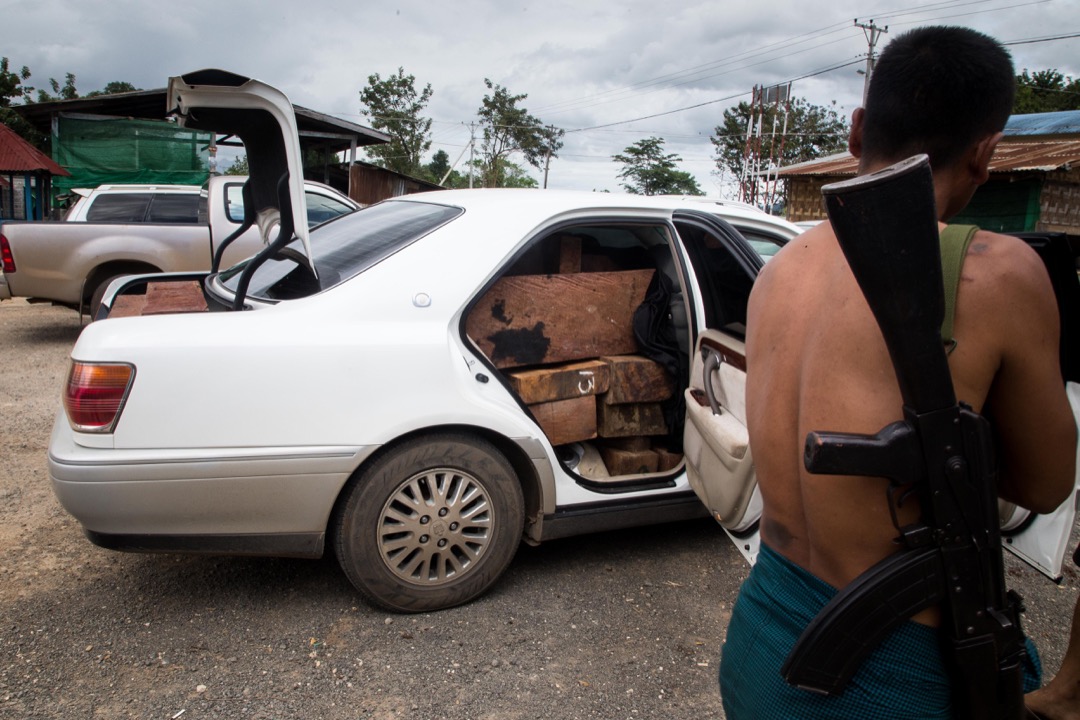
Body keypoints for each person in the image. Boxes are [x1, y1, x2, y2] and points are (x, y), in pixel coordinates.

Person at [719, 25, 1077, 719]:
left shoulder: (778, 271)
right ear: (984, 153)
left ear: (856, 130)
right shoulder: (995, 272)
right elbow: (1046, 484)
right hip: (887, 679)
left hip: (761, 644)